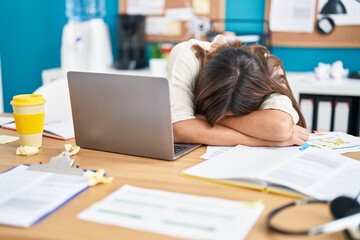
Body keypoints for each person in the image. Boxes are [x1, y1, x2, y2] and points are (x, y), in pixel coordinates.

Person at [167, 35, 309, 147]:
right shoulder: (189, 55)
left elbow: (281, 127)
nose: (224, 117)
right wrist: (267, 141)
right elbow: (178, 130)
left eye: (236, 116)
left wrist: (213, 119)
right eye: (221, 114)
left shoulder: (267, 68)